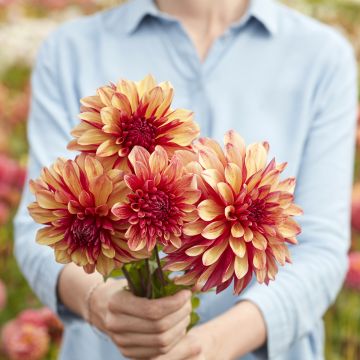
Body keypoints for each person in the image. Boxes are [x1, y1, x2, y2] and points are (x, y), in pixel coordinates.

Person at [14, 0, 358, 359]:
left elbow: (320, 247)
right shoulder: (70, 49)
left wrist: (211, 344)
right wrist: (96, 301)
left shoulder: (322, 55)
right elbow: (37, 226)